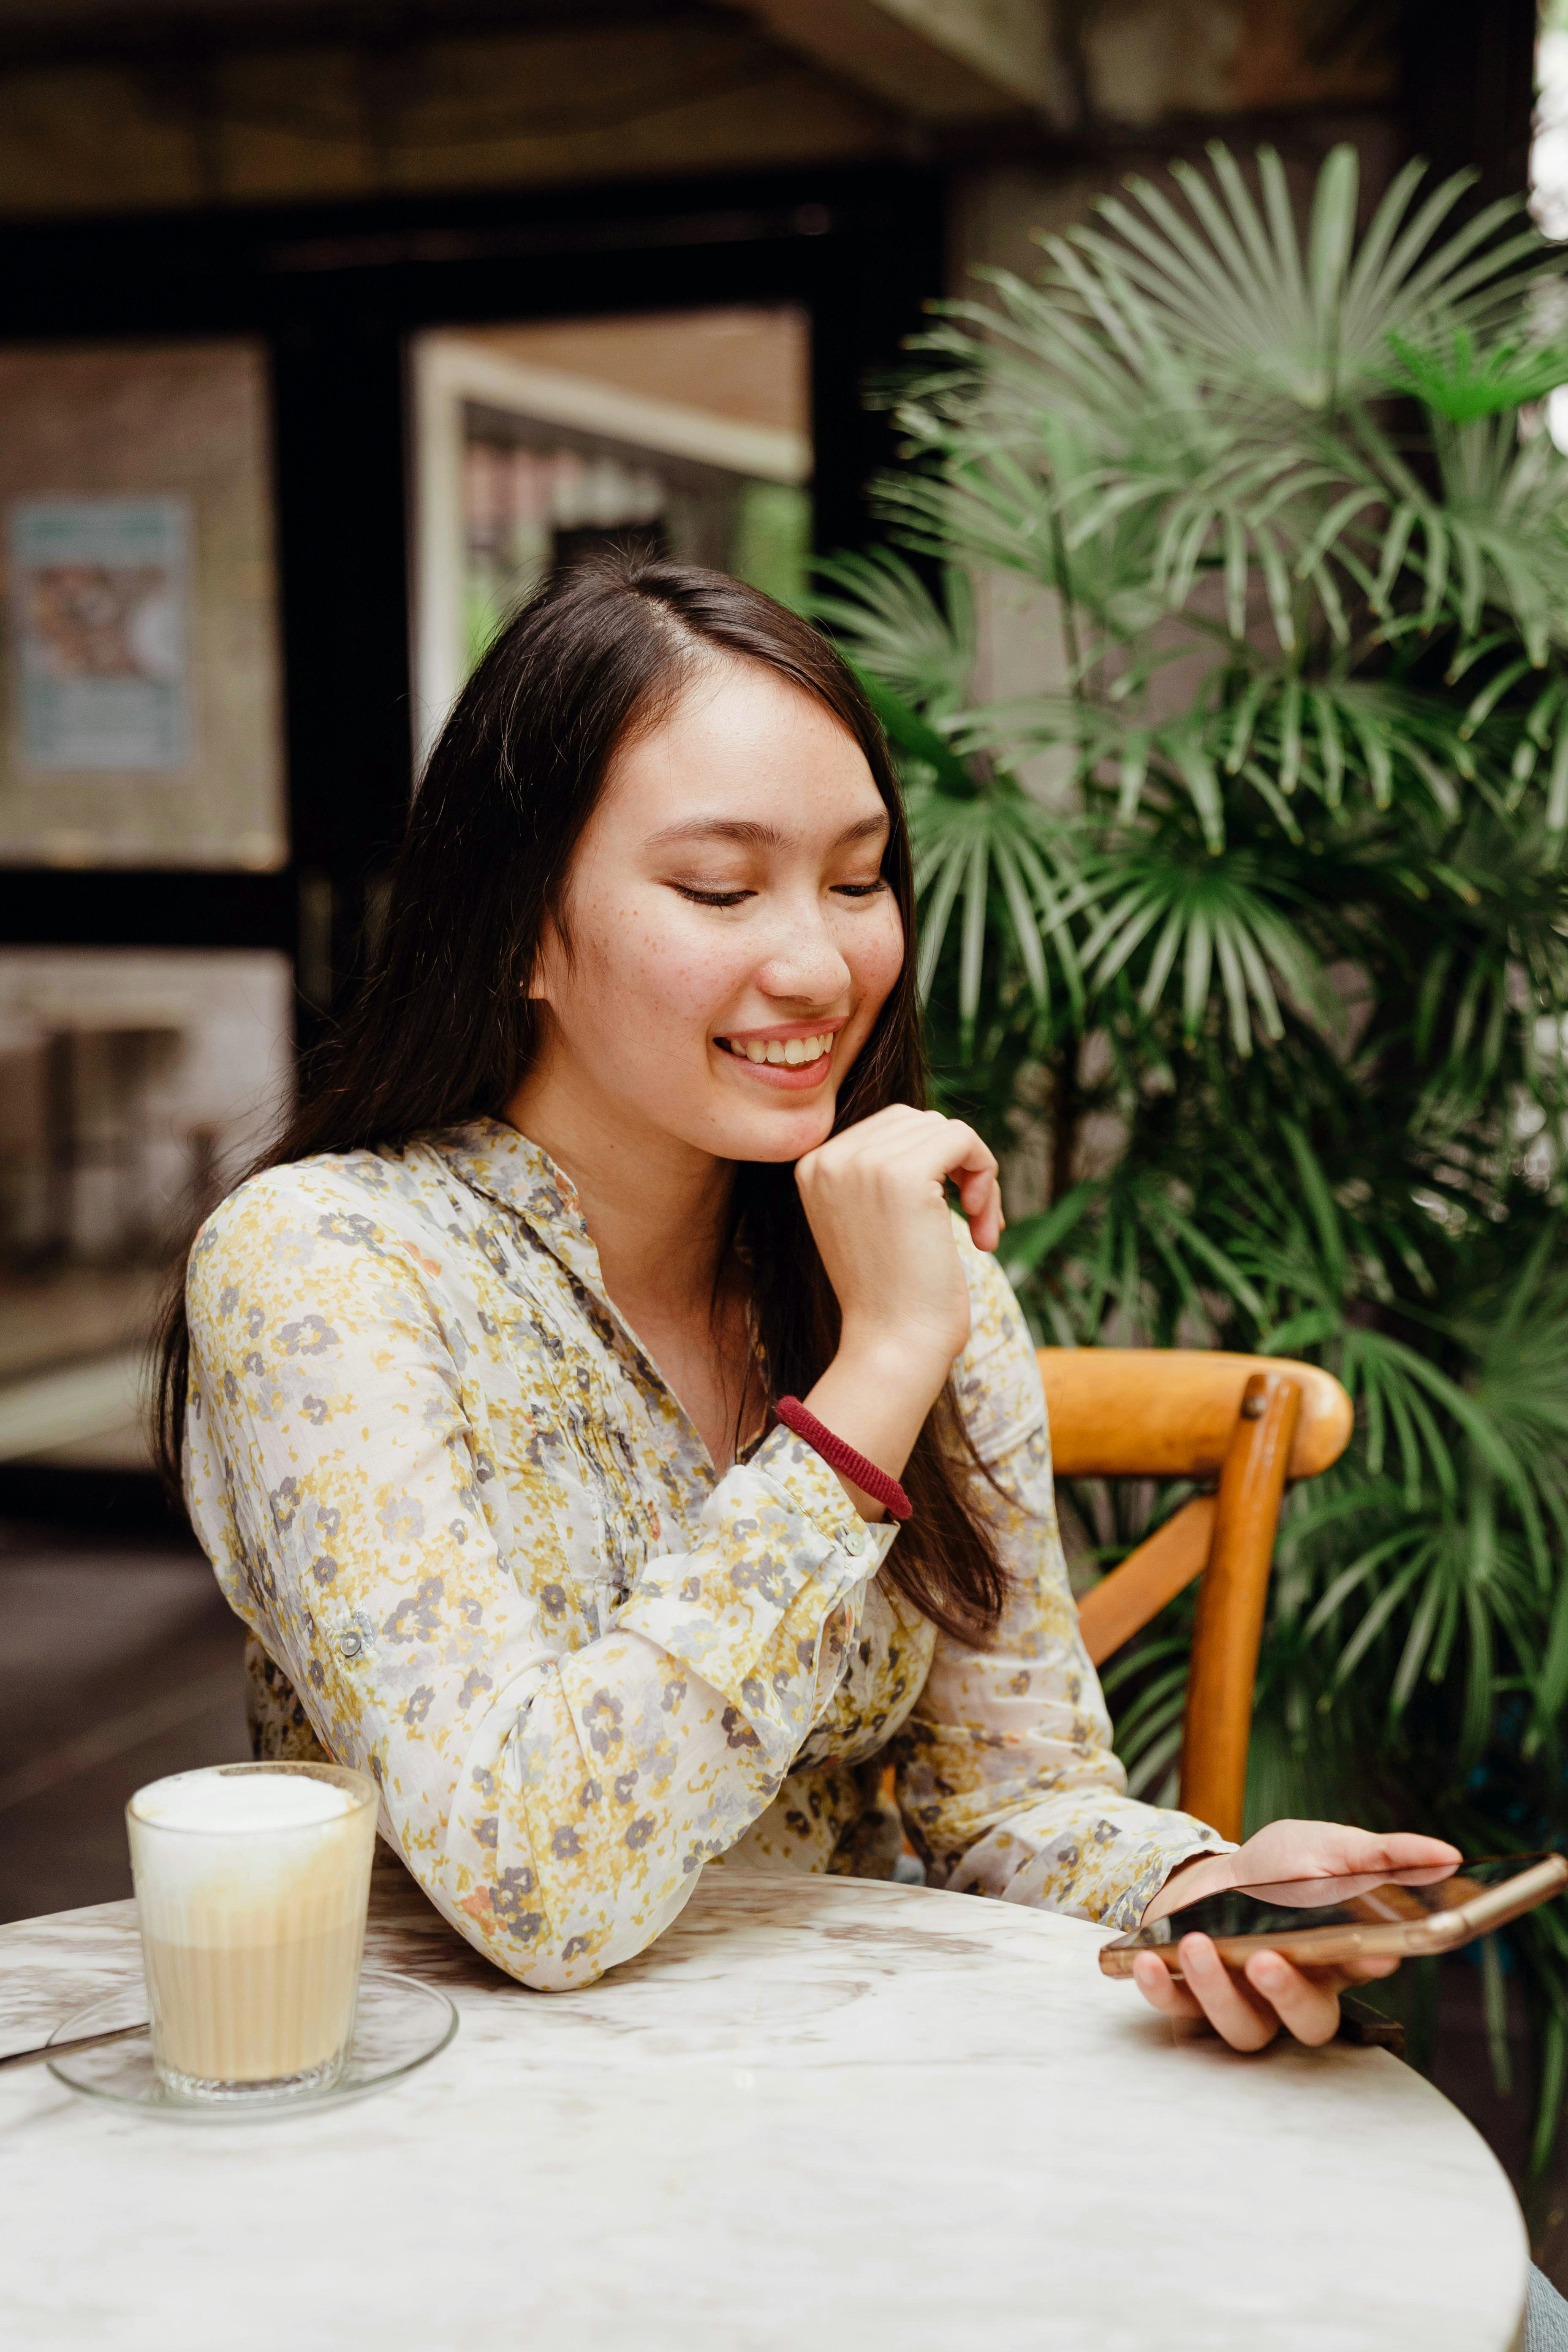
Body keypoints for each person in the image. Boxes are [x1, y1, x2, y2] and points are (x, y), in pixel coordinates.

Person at [158, 555, 1455, 2052]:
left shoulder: (901, 1266)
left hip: (844, 2090)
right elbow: (536, 1884)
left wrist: (1197, 1891)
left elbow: (1011, 1802)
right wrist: (873, 1379)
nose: (821, 963)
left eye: (856, 879)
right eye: (720, 889)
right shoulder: (327, 1265)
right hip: (464, 2115)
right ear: (516, 926)